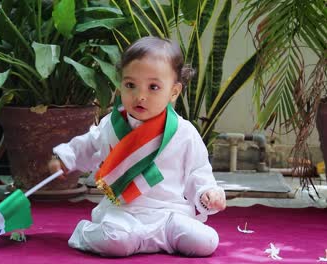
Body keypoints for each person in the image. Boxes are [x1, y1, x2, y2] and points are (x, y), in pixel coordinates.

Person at [48, 36, 226, 257]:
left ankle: (145, 241)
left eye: (153, 87)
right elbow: (87, 145)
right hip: (123, 213)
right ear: (121, 83)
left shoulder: (184, 132)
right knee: (116, 242)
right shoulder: (112, 125)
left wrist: (207, 192)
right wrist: (65, 159)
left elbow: (198, 171)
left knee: (206, 241)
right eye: (130, 85)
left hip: (169, 214)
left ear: (174, 92)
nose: (140, 96)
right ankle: (85, 232)